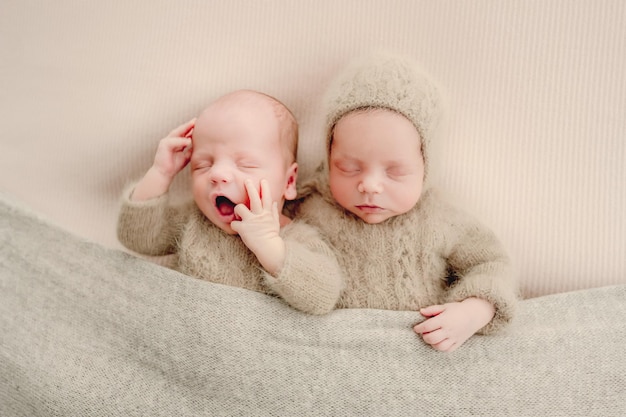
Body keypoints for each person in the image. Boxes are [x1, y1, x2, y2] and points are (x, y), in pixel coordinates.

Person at [296, 53, 518, 351]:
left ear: (426, 167)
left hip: (418, 359)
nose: (370, 186)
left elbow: (492, 263)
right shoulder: (308, 208)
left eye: (396, 171)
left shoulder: (439, 218)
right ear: (328, 156)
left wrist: (473, 310)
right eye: (348, 168)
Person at [117, 89, 343, 314]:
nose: (217, 174)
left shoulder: (296, 237)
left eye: (245, 164)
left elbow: (323, 296)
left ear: (289, 181)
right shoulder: (196, 221)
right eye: (202, 165)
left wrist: (270, 246)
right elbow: (138, 238)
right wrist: (161, 173)